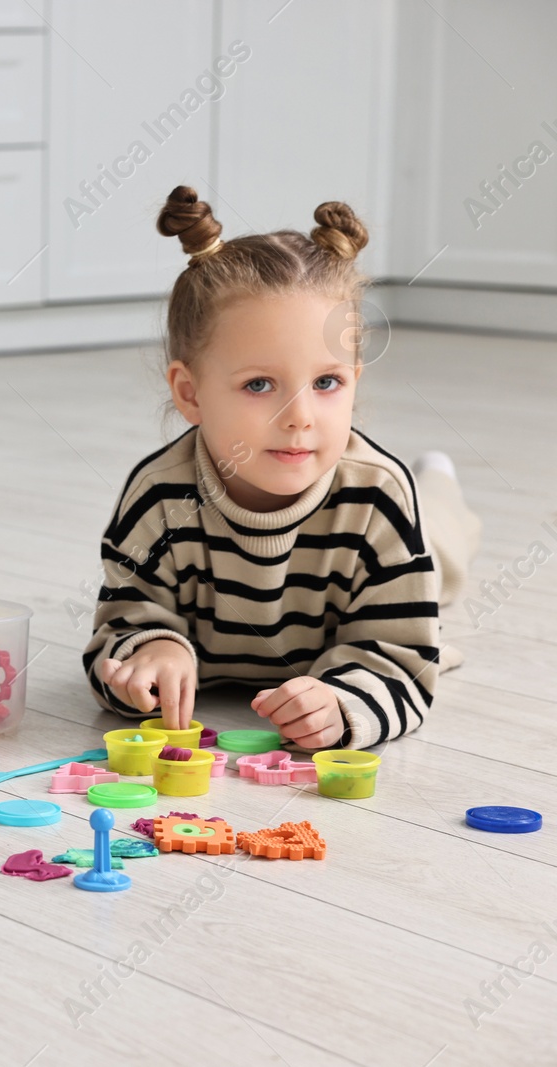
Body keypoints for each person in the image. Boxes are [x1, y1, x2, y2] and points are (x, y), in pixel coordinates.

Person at [84, 187, 481, 751]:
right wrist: (150, 653)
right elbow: (120, 626)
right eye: (259, 384)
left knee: (442, 540)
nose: (299, 418)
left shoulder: (380, 498)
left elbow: (402, 660)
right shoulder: (159, 496)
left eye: (326, 383)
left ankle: (438, 479)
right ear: (190, 393)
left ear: (355, 381)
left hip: (404, 539)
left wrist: (343, 706)